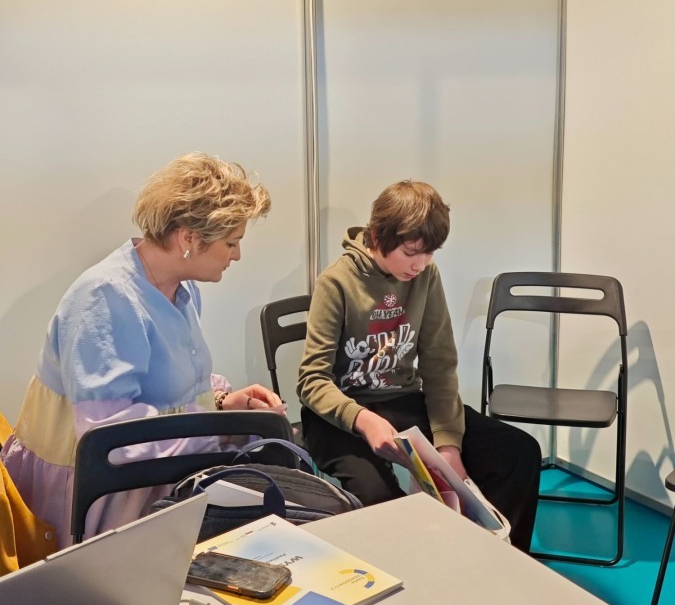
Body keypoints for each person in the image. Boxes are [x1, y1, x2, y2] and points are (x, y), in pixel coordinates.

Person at [1, 152, 286, 549]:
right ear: (189, 239)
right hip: (94, 501)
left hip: (154, 480)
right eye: (231, 242)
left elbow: (171, 385)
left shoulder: (181, 289)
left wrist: (223, 404)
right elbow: (114, 439)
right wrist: (220, 432)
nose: (236, 255)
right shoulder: (104, 298)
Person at [297, 180, 541, 552]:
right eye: (411, 252)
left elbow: (439, 363)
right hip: (341, 416)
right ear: (377, 236)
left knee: (518, 452)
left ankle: (499, 561)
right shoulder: (336, 283)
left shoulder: (426, 275)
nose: (420, 263)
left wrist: (448, 444)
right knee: (381, 497)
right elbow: (312, 380)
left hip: (403, 400)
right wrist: (364, 420)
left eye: (429, 252)